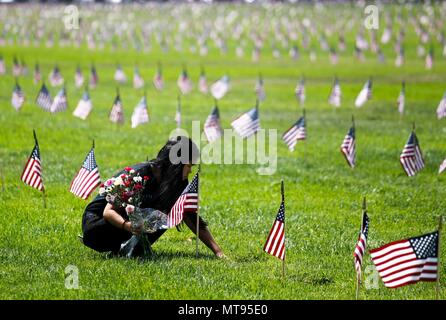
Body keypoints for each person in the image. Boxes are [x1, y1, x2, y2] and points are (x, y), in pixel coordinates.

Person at [81, 136, 225, 258]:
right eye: (188, 166)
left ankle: (129, 250)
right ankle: (124, 248)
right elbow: (108, 212)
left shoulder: (176, 181)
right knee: (157, 214)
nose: (190, 171)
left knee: (166, 215)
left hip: (125, 226)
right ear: (176, 165)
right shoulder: (139, 174)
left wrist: (218, 253)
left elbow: (189, 216)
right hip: (96, 226)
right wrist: (129, 226)